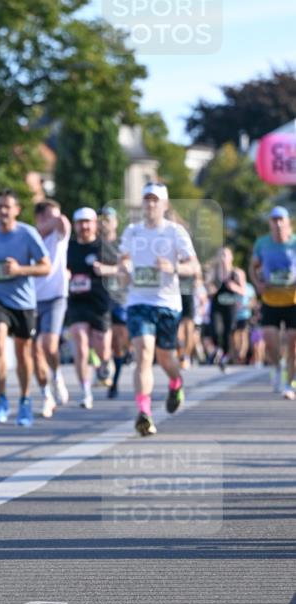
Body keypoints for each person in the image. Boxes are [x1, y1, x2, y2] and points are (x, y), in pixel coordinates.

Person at [119, 182, 199, 436]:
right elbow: (123, 261)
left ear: (164, 205)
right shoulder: (132, 232)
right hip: (138, 302)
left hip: (167, 304)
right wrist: (124, 271)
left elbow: (193, 267)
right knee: (143, 354)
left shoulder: (175, 233)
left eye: (156, 200)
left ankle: (176, 383)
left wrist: (173, 268)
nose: (151, 204)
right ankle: (144, 413)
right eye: (147, 200)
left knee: (166, 358)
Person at [0, 188, 50, 426]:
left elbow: (45, 267)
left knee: (23, 353)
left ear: (17, 210)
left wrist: (20, 270)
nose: (3, 211)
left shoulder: (27, 234)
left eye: (8, 207)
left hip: (23, 301)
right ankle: (1, 399)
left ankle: (26, 400)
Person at [66, 207, 115, 410]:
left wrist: (106, 269)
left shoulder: (104, 246)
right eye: (80, 222)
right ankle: (85, 391)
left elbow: (122, 268)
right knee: (80, 341)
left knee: (101, 345)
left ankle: (105, 362)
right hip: (77, 301)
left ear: (95, 224)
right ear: (75, 225)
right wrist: (66, 274)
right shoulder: (69, 247)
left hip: (99, 302)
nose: (84, 226)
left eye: (88, 222)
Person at [249, 206, 296, 400]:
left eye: (280, 220)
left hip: (293, 300)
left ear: (288, 223)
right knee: (270, 340)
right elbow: (253, 267)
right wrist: (257, 283)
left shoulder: (294, 243)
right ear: (269, 223)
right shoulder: (262, 243)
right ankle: (277, 367)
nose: (277, 224)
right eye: (274, 220)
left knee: (293, 344)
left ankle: (289, 383)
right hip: (270, 300)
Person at [32, 199, 70, 418]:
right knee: (34, 350)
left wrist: (54, 221)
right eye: (50, 217)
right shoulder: (29, 239)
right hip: (32, 299)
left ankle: (56, 375)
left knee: (49, 344)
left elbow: (64, 222)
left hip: (56, 297)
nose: (56, 220)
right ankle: (46, 395)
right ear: (39, 218)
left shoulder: (58, 237)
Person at [99, 204, 130, 398]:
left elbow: (127, 266)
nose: (105, 223)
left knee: (118, 343)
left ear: (116, 223)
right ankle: (103, 366)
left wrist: (108, 270)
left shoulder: (122, 245)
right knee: (101, 339)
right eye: (102, 219)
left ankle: (115, 381)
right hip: (98, 298)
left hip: (119, 297)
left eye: (108, 219)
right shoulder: (94, 244)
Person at [209, 247, 245, 370]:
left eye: (225, 255)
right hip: (217, 306)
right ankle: (218, 351)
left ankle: (226, 355)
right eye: (221, 255)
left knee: (228, 332)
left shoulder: (237, 273)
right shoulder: (214, 273)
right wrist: (211, 290)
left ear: (231, 257)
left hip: (231, 307)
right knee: (216, 329)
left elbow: (243, 291)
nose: (223, 258)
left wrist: (234, 287)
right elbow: (206, 287)